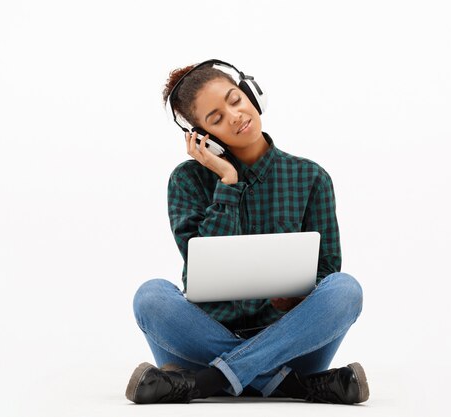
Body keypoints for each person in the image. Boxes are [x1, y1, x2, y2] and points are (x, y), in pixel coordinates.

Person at [125, 60, 369, 405]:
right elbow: (200, 260)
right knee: (150, 296)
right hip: (202, 343)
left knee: (346, 290)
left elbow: (328, 272)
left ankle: (202, 384)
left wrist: (300, 297)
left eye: (235, 100)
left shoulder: (311, 177)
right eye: (216, 118)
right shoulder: (187, 180)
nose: (235, 116)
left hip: (291, 344)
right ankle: (292, 387)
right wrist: (228, 182)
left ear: (252, 94)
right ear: (202, 136)